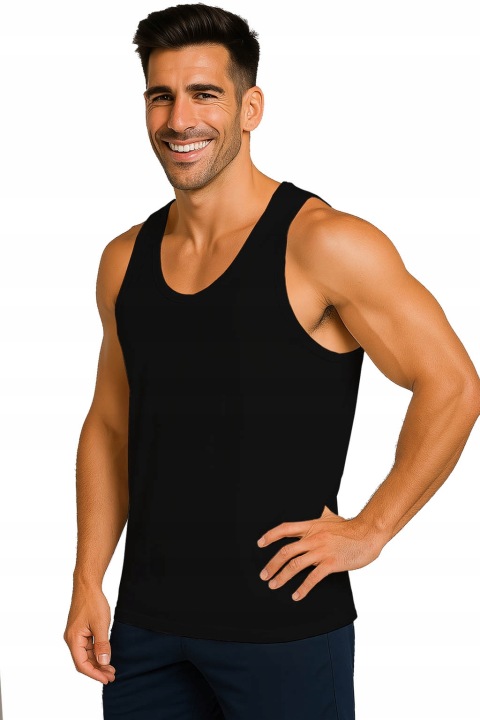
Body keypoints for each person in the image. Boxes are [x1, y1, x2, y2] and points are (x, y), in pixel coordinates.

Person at [63, 4, 480, 719]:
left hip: (285, 627)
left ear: (250, 107)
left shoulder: (323, 243)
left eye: (205, 94)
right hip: (146, 631)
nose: (179, 119)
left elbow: (452, 384)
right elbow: (109, 425)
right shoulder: (123, 259)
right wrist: (86, 579)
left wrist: (373, 528)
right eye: (161, 96)